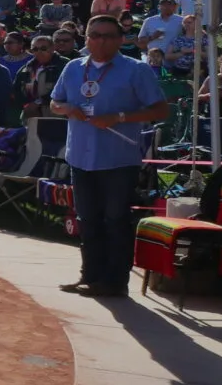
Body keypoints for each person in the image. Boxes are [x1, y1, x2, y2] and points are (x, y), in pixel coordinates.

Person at [49, 15, 169, 298]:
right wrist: (66, 109)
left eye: (108, 35)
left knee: (114, 219)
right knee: (87, 219)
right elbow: (55, 102)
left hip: (117, 158)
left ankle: (115, 282)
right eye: (95, 35)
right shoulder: (73, 68)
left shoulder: (136, 70)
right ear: (87, 38)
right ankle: (90, 276)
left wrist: (120, 117)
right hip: (80, 155)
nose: (101, 41)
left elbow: (161, 110)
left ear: (119, 39)